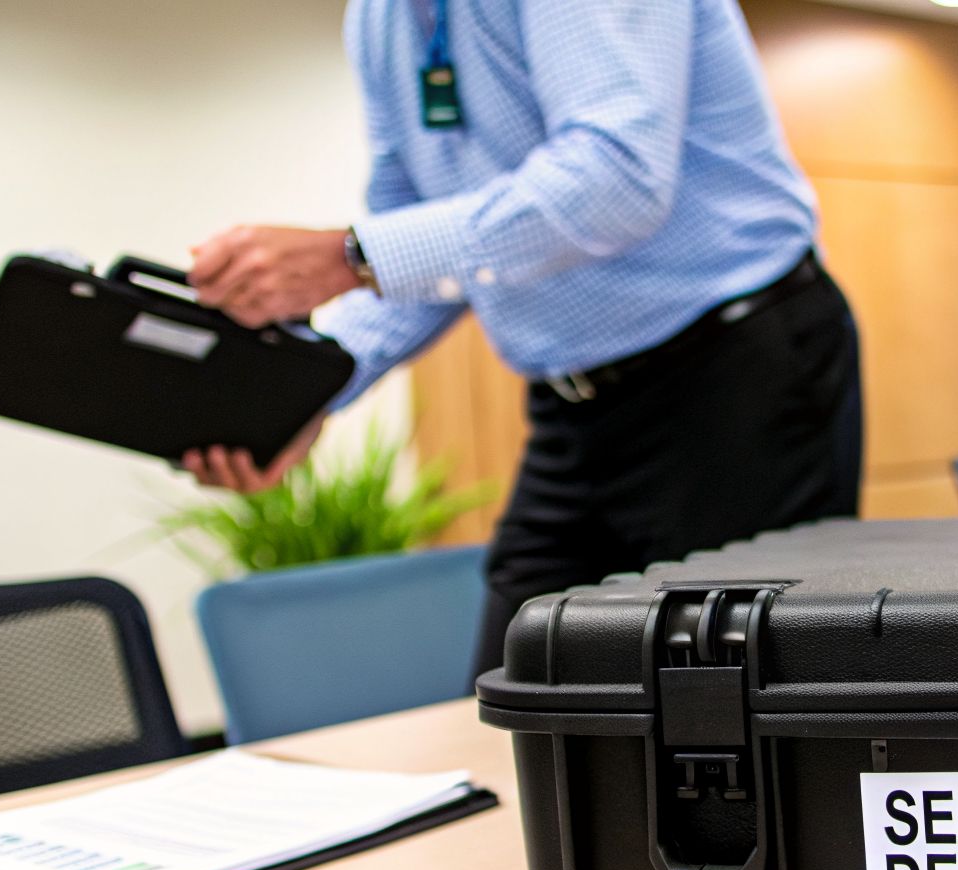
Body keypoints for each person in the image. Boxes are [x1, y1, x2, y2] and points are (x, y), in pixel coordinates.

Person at [182, 0, 861, 679]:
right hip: (576, 406)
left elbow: (615, 179)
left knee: (738, 708)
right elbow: (414, 244)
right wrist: (308, 392)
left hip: (734, 372)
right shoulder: (378, 16)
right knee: (517, 694)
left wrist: (349, 259)